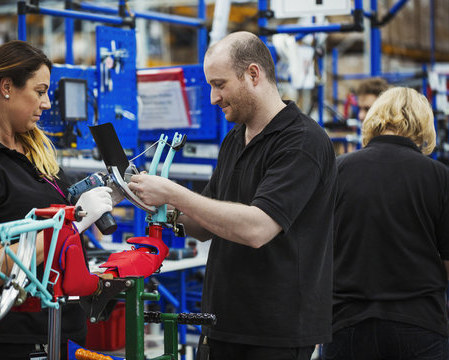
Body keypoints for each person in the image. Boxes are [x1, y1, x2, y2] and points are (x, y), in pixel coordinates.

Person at [128, 31, 337, 359]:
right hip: (220, 324)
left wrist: (174, 192)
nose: (213, 97)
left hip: (273, 334)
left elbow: (257, 229)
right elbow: (205, 223)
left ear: (253, 74)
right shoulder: (235, 139)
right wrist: (161, 207)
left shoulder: (302, 142)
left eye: (219, 84)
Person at [0, 40, 113, 360]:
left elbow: (59, 207)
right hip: (19, 339)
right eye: (40, 91)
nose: (47, 103)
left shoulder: (35, 150)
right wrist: (74, 221)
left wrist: (97, 198)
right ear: (6, 87)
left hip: (68, 325)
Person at [323, 87, 449, 360]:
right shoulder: (440, 178)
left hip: (346, 324)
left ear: (375, 118)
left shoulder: (336, 170)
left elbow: (316, 250)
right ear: (423, 125)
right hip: (419, 327)